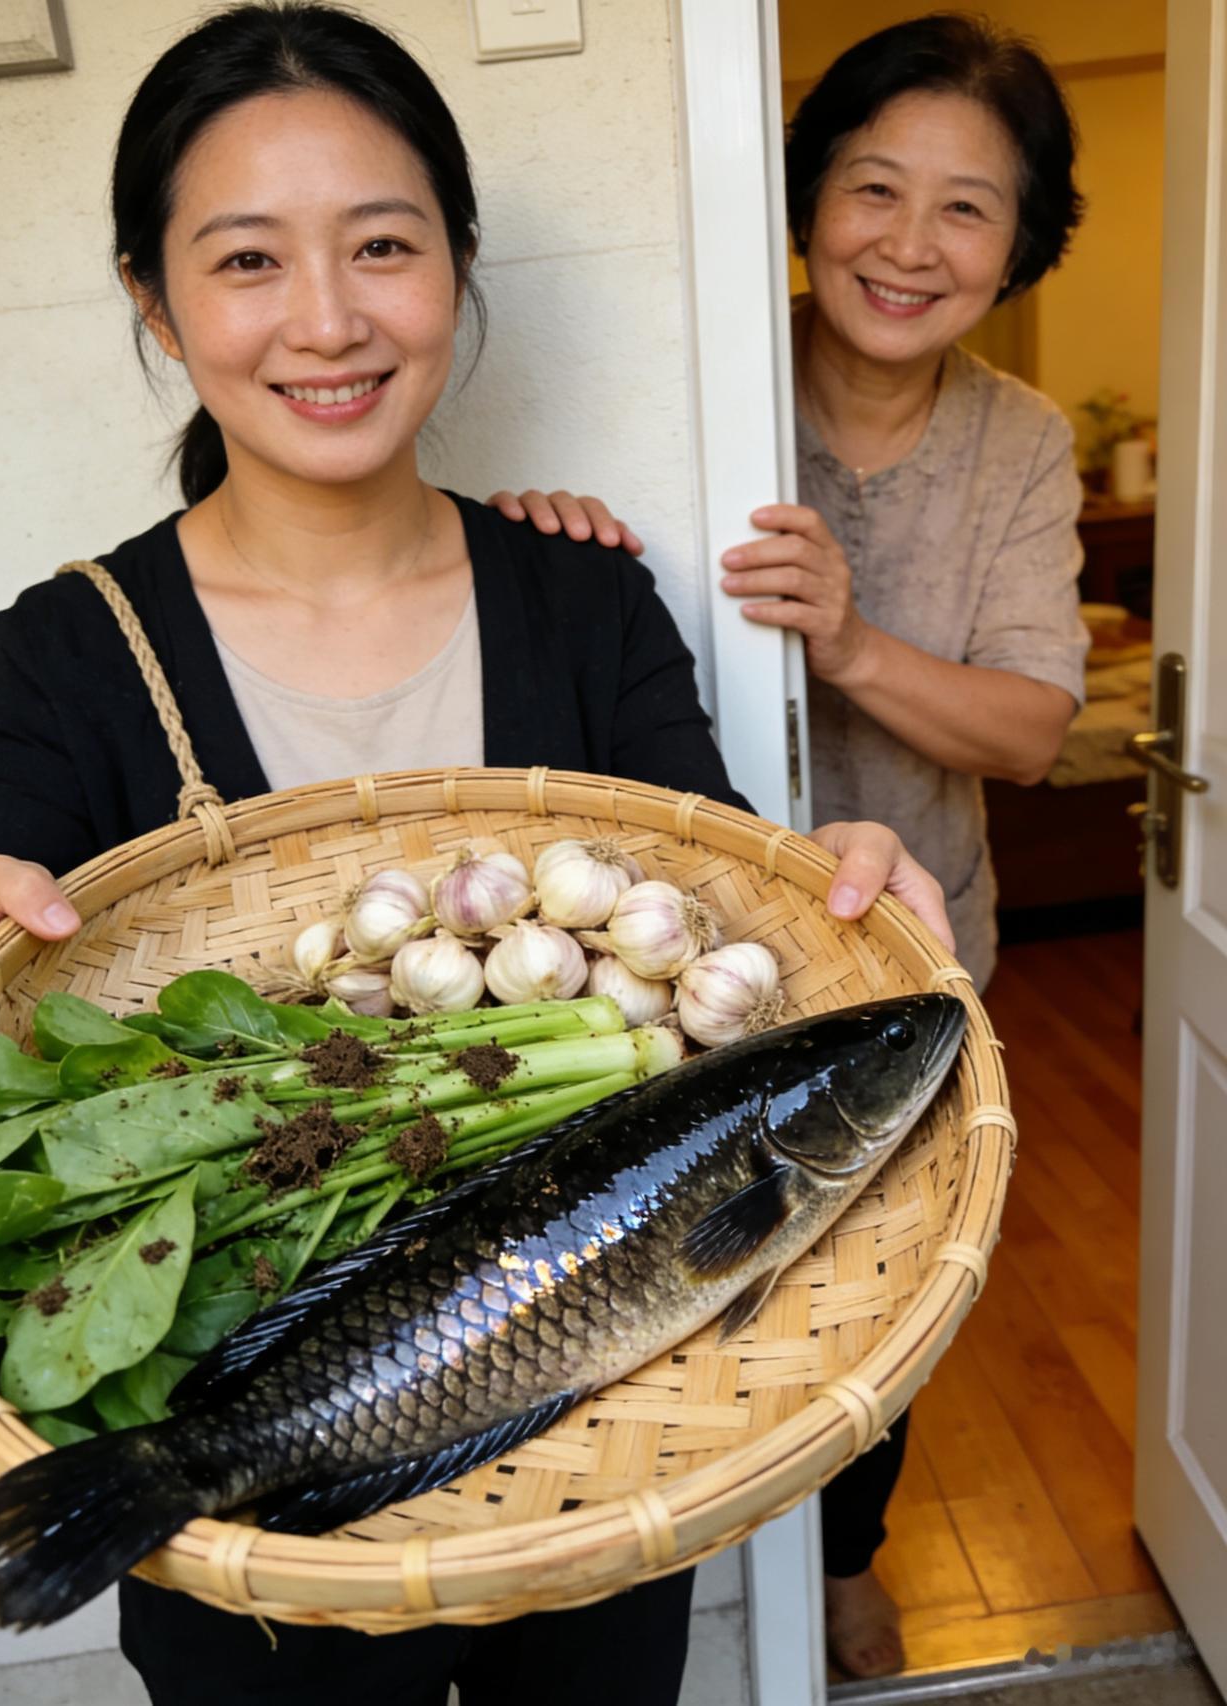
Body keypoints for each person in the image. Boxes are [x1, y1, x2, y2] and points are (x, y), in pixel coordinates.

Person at [0, 6, 952, 1703]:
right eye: (248, 259)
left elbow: (717, 920)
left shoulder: (587, 599)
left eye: (384, 245)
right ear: (153, 296)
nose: (329, 319)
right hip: (254, 1569)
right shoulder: (63, 658)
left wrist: (833, 869)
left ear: (460, 267)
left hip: (586, 1484)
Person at [491, 12, 1090, 1679]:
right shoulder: (700, 375)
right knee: (662, 1280)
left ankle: (841, 1552)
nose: (909, 244)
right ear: (806, 195)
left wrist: (854, 641)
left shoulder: (1021, 442)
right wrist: (551, 529)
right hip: (667, 944)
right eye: (872, 188)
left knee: (878, 1287)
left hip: (902, 947)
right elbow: (555, 601)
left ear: (1020, 242)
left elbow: (1035, 733)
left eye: (967, 208)